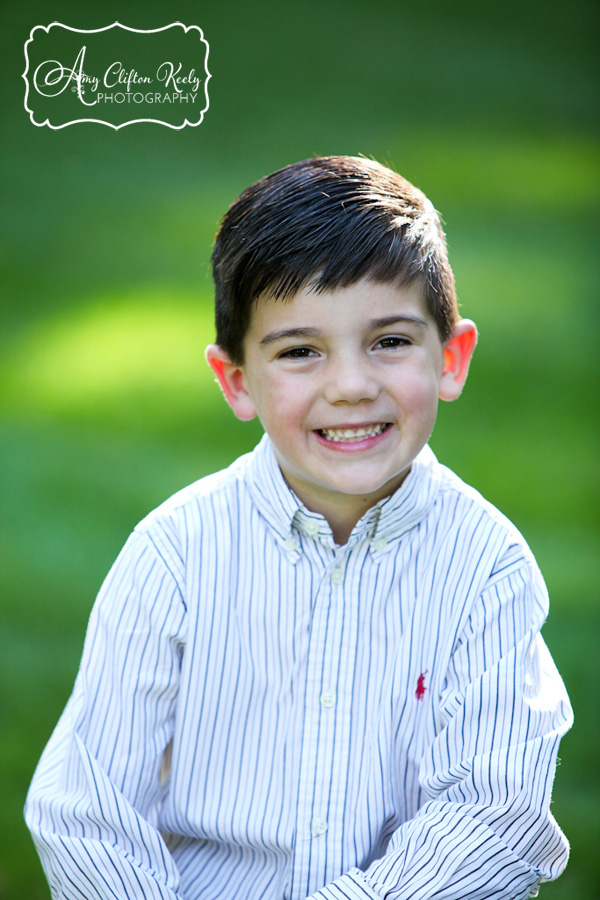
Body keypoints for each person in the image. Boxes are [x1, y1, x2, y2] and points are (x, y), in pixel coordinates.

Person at [25, 156, 573, 900]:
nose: (350, 385)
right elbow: (88, 813)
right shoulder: (176, 555)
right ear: (237, 381)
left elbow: (493, 817)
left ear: (451, 357)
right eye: (300, 352)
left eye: (389, 341)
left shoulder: (485, 564)